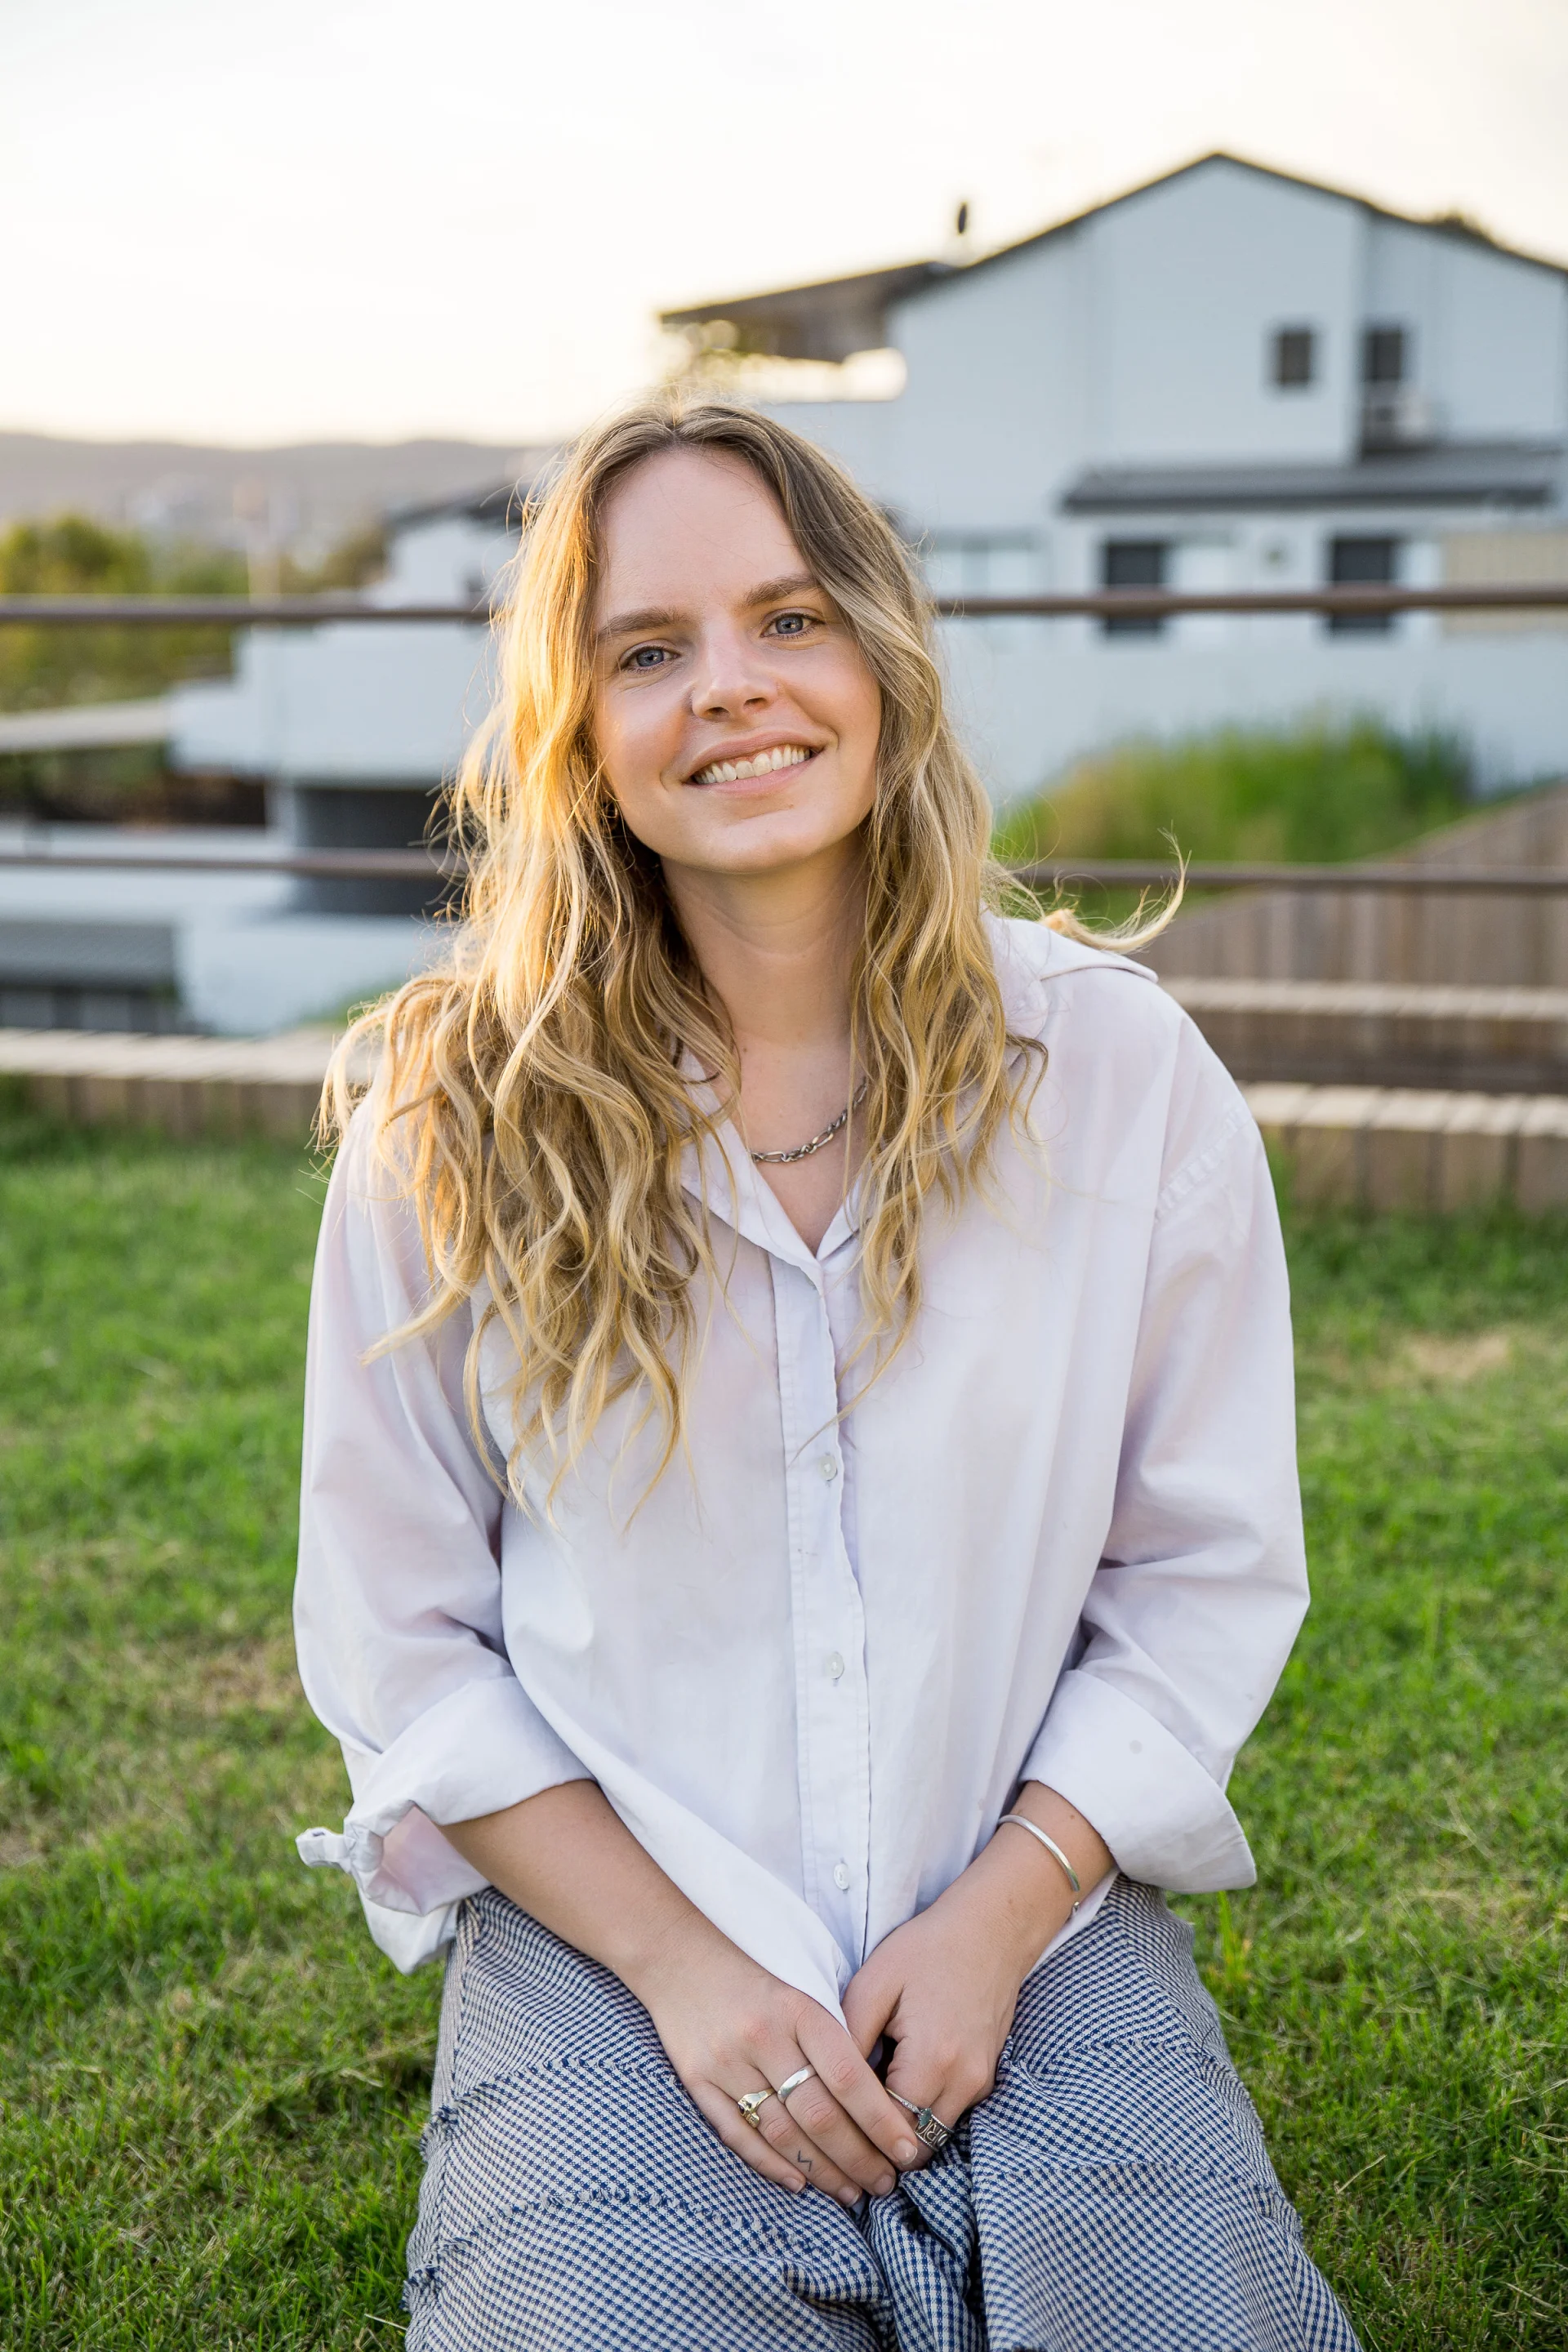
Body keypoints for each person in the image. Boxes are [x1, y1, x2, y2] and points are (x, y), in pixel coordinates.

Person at [293, 394, 1360, 2350]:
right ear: (582, 739)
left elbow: (1198, 1577)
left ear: (882, 655)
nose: (734, 691)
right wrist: (686, 1970)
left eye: (791, 620)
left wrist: (1007, 1913)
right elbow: (403, 1640)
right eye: (649, 650)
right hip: (611, 1937)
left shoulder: (1119, 1080)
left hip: (1025, 1898)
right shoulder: (449, 1124)